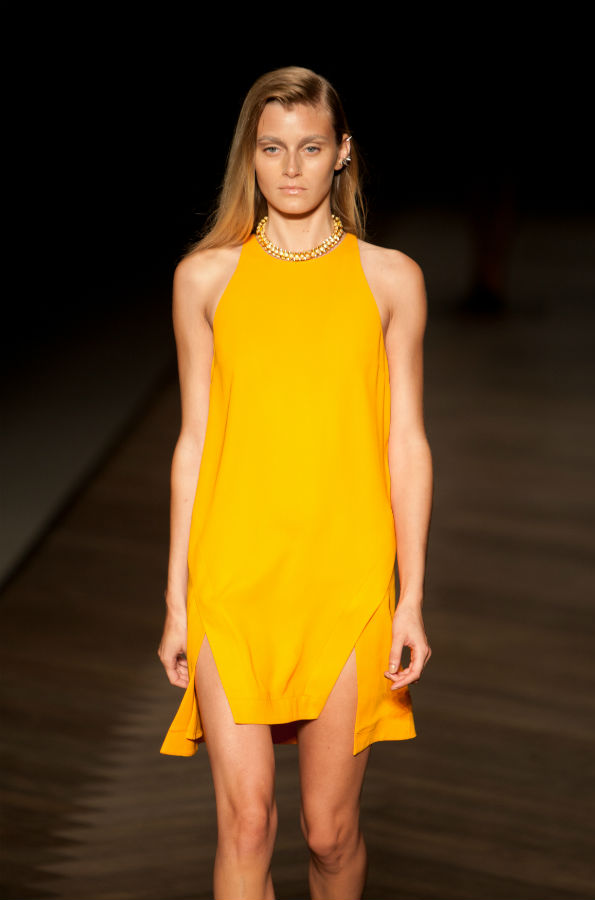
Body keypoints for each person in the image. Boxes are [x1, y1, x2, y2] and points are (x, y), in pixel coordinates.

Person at [158, 65, 433, 900]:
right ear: (250, 155)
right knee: (245, 824)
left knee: (329, 831)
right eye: (272, 147)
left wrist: (412, 597)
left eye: (310, 147)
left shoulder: (391, 279)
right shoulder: (206, 278)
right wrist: (176, 599)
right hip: (234, 576)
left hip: (344, 577)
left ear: (341, 152)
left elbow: (407, 443)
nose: (289, 167)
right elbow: (193, 441)